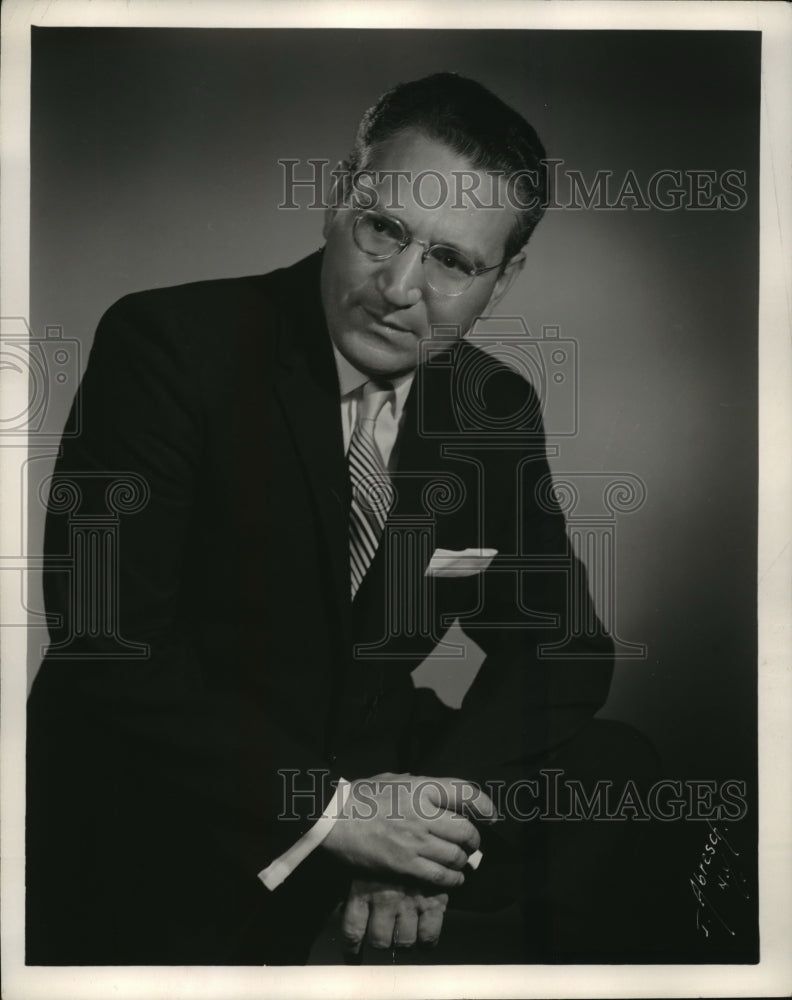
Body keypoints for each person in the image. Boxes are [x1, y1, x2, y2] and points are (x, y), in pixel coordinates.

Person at [26, 73, 648, 967]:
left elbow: (562, 645)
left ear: (503, 280)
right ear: (335, 199)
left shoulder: (493, 407)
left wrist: (426, 822)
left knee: (615, 770)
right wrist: (337, 817)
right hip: (179, 798)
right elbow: (104, 639)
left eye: (452, 261)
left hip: (372, 771)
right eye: (384, 228)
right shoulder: (168, 344)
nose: (399, 286)